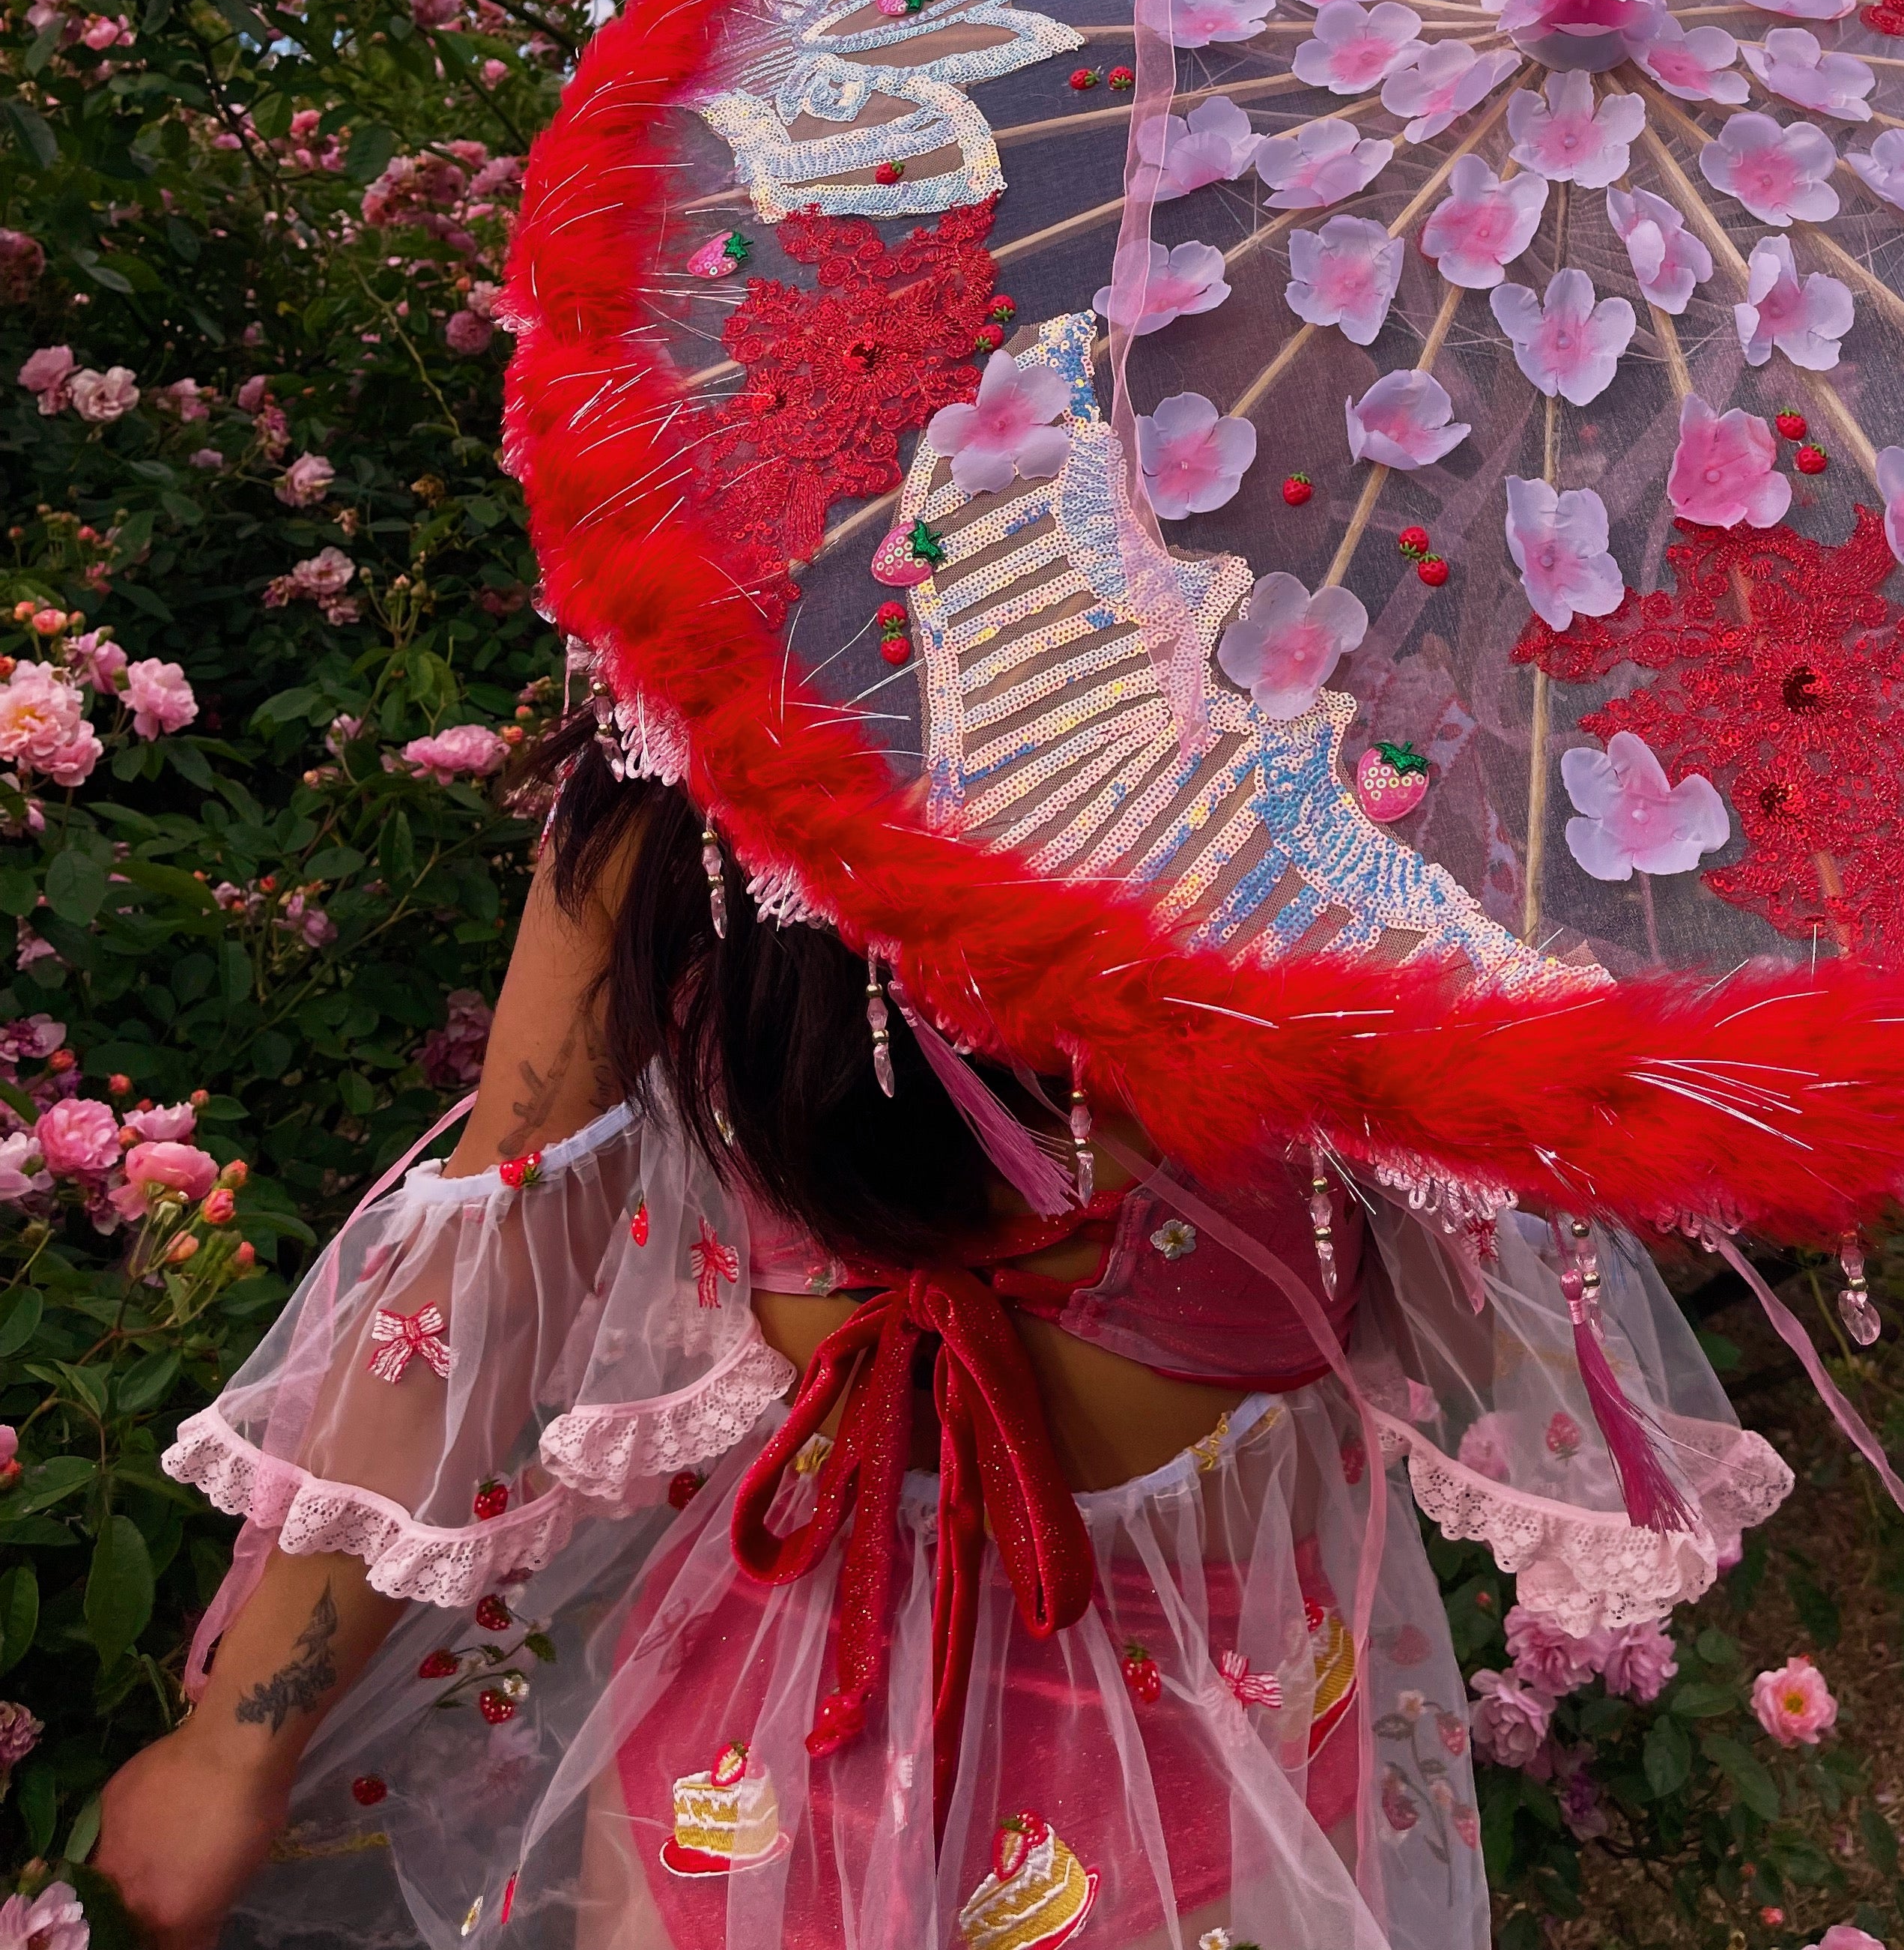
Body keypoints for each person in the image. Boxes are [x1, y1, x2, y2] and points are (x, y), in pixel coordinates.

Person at [96, 716, 1787, 1950]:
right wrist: (241, 1748)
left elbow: (490, 1250)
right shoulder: (692, 791)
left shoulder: (1343, 818)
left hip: (1174, 1758)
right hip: (768, 1763)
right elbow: (492, 1256)